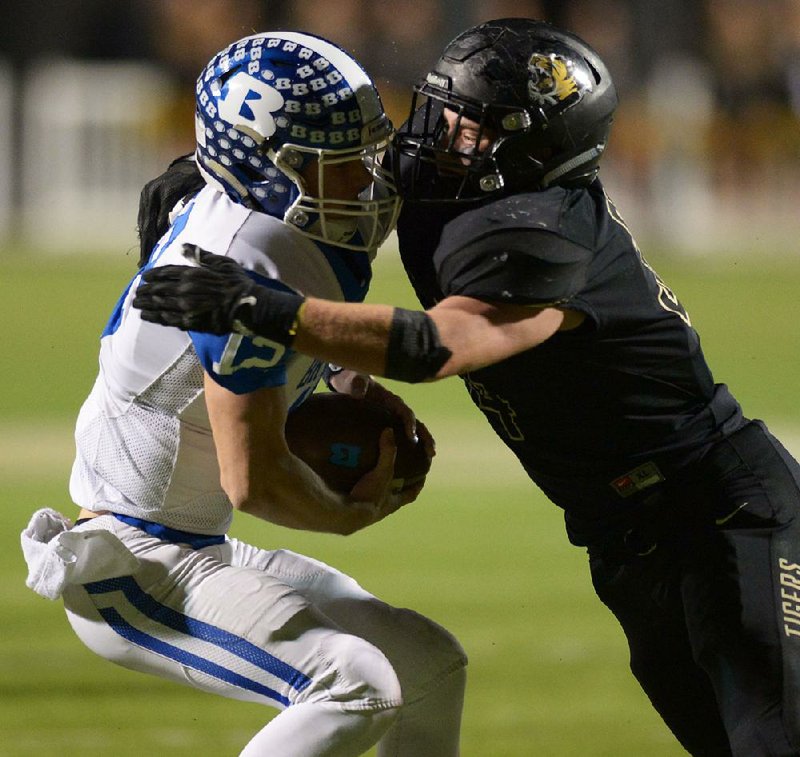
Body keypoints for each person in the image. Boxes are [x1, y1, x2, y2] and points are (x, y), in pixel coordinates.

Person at [133, 18, 800, 757]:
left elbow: (439, 345)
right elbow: (335, 167)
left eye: (469, 123)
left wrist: (264, 309)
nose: (438, 131)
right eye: (442, 107)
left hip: (723, 512)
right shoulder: (457, 176)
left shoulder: (541, 229)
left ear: (529, 151)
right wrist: (211, 167)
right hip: (625, 536)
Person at [20, 31, 468, 757]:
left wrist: (342, 379)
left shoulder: (256, 216)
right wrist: (347, 511)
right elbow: (253, 478)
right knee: (355, 682)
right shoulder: (247, 256)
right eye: (338, 162)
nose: (367, 178)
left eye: (363, 151)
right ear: (266, 169)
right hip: (135, 564)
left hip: (191, 540)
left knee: (429, 664)